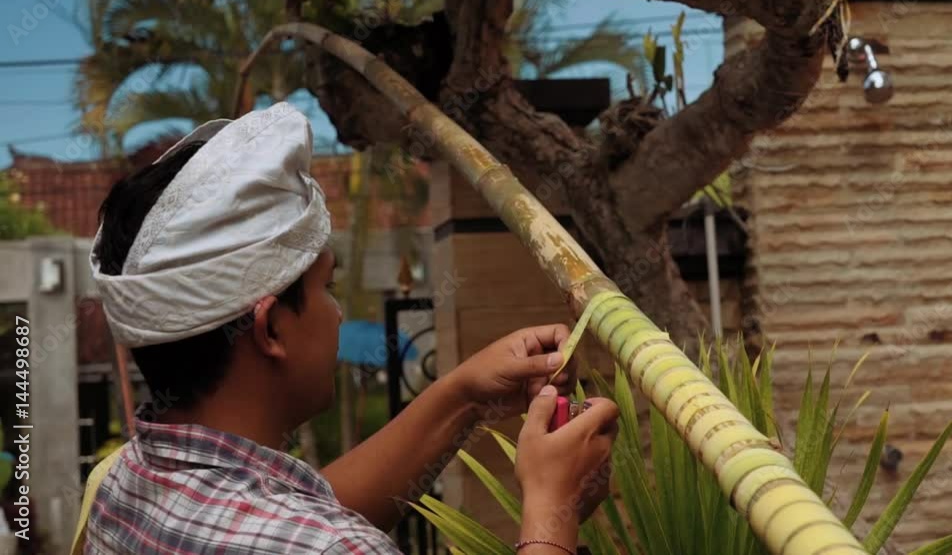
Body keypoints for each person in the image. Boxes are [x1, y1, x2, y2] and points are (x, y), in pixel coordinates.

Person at [80, 102, 619, 554]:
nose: (337, 312)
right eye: (326, 289)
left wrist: (463, 397)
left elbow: (293, 511)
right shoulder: (334, 547)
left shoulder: (120, 484)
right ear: (270, 331)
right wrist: (552, 508)